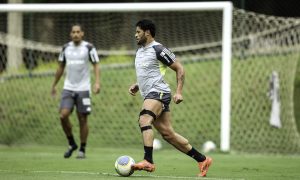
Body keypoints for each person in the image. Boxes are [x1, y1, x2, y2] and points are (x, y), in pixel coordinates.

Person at [128, 19, 212, 177]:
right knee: (168, 134)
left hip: (159, 92)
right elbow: (151, 73)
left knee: (144, 119)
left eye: (138, 32)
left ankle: (148, 161)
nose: (135, 35)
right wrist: (138, 84)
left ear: (147, 32)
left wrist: (179, 91)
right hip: (151, 93)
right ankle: (203, 159)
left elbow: (179, 68)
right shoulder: (140, 52)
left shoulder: (158, 49)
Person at [51, 24, 101, 159]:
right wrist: (54, 85)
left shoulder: (89, 48)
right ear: (70, 34)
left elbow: (96, 64)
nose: (76, 34)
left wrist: (97, 82)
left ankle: (82, 149)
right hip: (68, 88)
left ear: (82, 33)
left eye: (78, 32)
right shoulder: (66, 48)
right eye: (73, 32)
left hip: (83, 89)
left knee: (82, 119)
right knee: (63, 115)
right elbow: (60, 67)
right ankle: (72, 143)